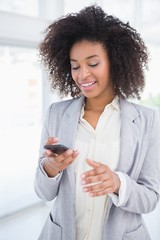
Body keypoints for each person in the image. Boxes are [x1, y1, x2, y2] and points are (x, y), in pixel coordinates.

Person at [34, 4, 160, 240]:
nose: (82, 75)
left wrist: (117, 183)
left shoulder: (147, 120)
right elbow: (43, 192)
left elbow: (150, 198)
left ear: (116, 61)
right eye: (75, 66)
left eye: (93, 64)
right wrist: (50, 169)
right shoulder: (56, 114)